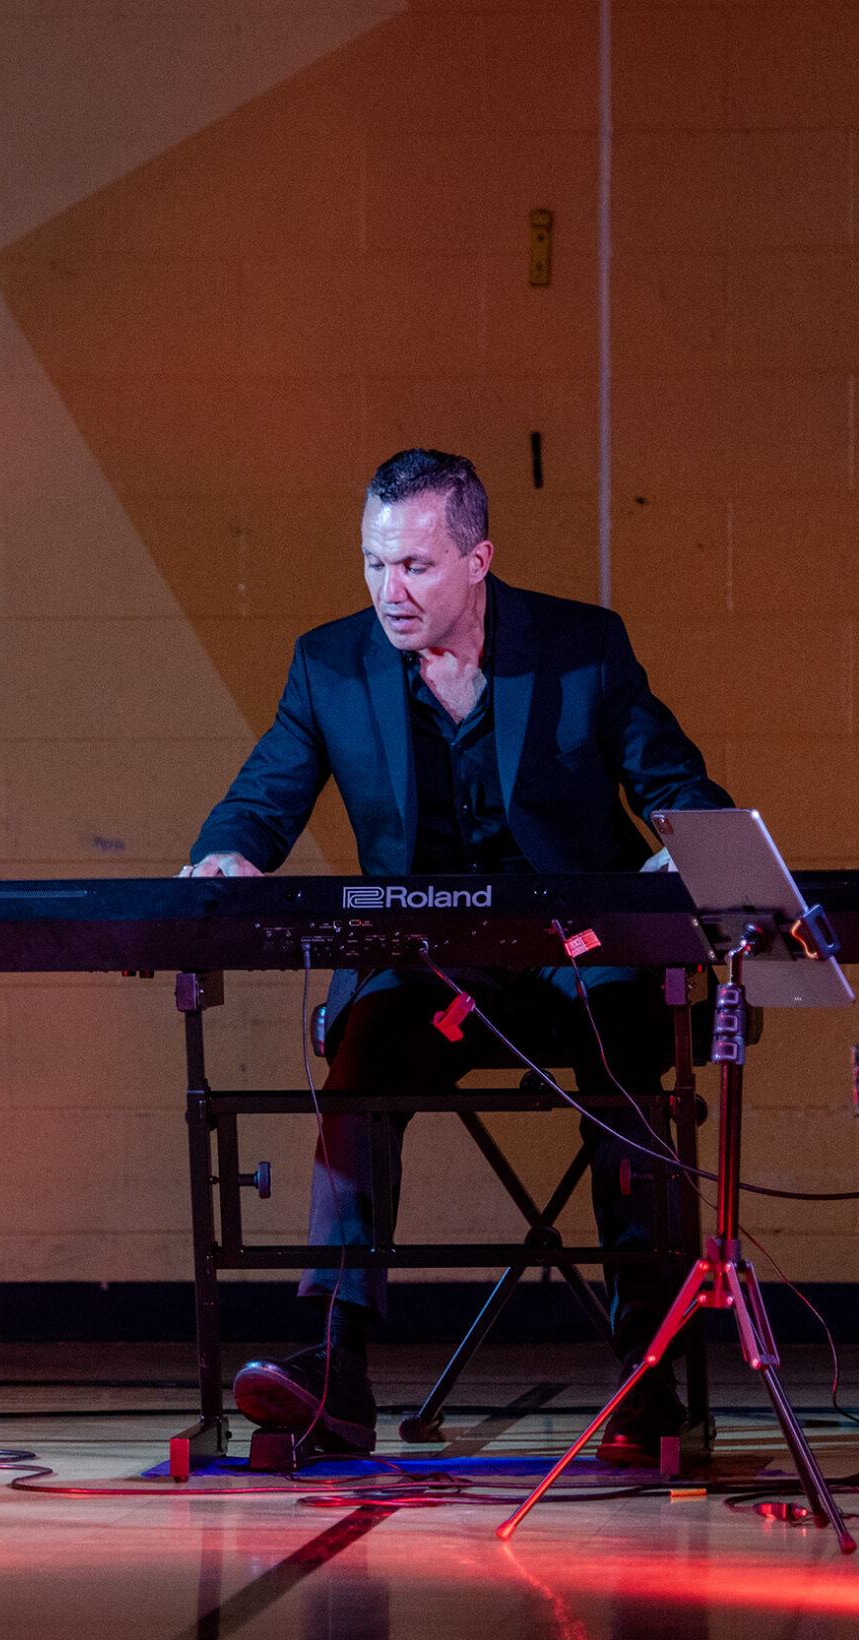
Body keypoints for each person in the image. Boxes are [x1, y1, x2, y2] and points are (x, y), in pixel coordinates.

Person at [183, 448, 732, 1461]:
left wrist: (685, 849)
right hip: (437, 975)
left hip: (579, 961)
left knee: (631, 1082)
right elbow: (265, 793)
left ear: (477, 559)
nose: (390, 592)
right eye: (373, 564)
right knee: (362, 1064)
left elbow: (672, 778)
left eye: (416, 568)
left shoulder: (580, 647)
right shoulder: (330, 663)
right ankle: (336, 1369)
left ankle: (649, 1376)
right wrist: (224, 855)